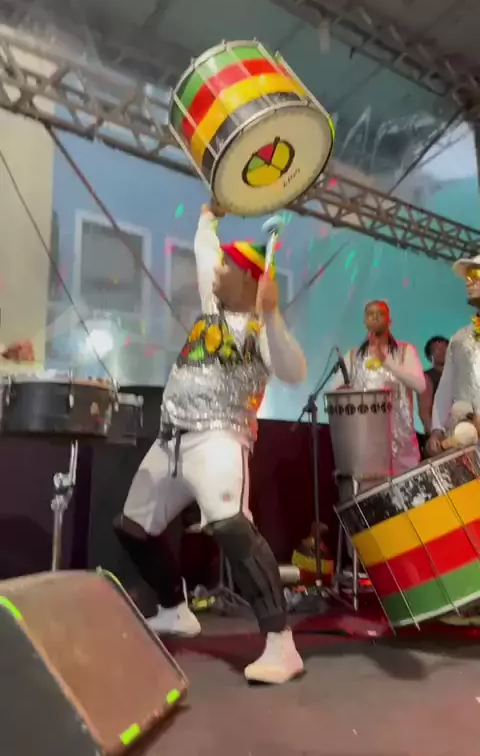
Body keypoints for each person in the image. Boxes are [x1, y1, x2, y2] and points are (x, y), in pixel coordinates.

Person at [115, 201, 307, 684]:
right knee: (132, 527)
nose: (217, 272)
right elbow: (205, 253)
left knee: (233, 530)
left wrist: (273, 314)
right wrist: (209, 216)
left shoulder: (259, 332)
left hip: (220, 440)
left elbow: (293, 370)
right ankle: (175, 609)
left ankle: (281, 645)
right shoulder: (211, 311)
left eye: (228, 268)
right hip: (170, 440)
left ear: (249, 278)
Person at [336, 300, 425, 475]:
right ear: (364, 322)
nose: (375, 317)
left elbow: (420, 386)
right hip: (366, 449)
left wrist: (386, 361)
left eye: (380, 313)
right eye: (370, 314)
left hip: (401, 446)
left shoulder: (405, 351)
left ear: (390, 321)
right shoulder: (353, 356)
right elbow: (336, 392)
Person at [428, 254, 480, 455]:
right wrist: (437, 430)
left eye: (475, 275)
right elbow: (446, 388)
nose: (469, 282)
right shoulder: (459, 339)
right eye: (467, 277)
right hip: (468, 447)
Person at [418, 336, 449, 435]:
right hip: (440, 431)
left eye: (446, 348)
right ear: (429, 356)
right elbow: (424, 412)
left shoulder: (459, 374)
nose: (443, 352)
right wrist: (433, 435)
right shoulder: (427, 377)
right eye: (437, 350)